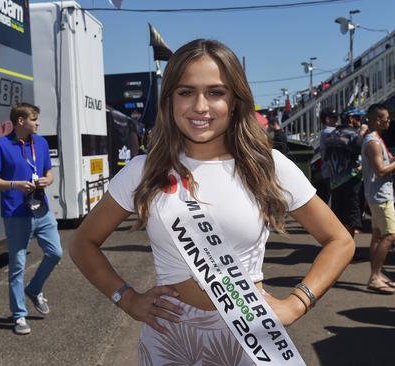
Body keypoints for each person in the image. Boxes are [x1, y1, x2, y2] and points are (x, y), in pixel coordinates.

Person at [69, 39, 355, 365]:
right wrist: (128, 298)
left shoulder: (269, 166)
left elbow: (340, 241)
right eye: (186, 92)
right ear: (169, 101)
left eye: (216, 92)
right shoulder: (144, 171)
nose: (200, 106)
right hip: (170, 337)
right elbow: (82, 243)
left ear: (235, 101)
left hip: (251, 335)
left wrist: (297, 302)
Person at [0, 103, 63, 335]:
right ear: (20, 121)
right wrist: (15, 184)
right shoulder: (0, 145)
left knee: (56, 252)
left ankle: (34, 289)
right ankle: (19, 316)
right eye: (34, 119)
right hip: (16, 213)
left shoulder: (40, 143)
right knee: (17, 265)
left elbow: (49, 172)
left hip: (42, 210)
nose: (37, 123)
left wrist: (47, 181)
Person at [361, 103, 395, 295]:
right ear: (377, 120)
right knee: (390, 236)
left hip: (377, 194)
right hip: (380, 196)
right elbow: (380, 170)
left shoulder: (376, 139)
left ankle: (377, 275)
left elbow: (382, 165)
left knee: (378, 235)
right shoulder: (373, 142)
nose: (389, 122)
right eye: (386, 119)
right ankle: (374, 277)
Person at [327, 107, 365, 238]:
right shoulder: (353, 135)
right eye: (358, 118)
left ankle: (341, 245)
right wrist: (362, 134)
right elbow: (364, 152)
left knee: (338, 216)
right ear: (350, 119)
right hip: (351, 180)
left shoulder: (332, 134)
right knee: (350, 217)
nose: (360, 121)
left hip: (334, 182)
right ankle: (349, 250)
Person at [316, 107, 338, 204]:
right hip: (331, 172)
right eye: (334, 118)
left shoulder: (326, 131)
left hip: (328, 171)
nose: (336, 120)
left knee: (331, 197)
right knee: (332, 199)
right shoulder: (329, 131)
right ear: (327, 119)